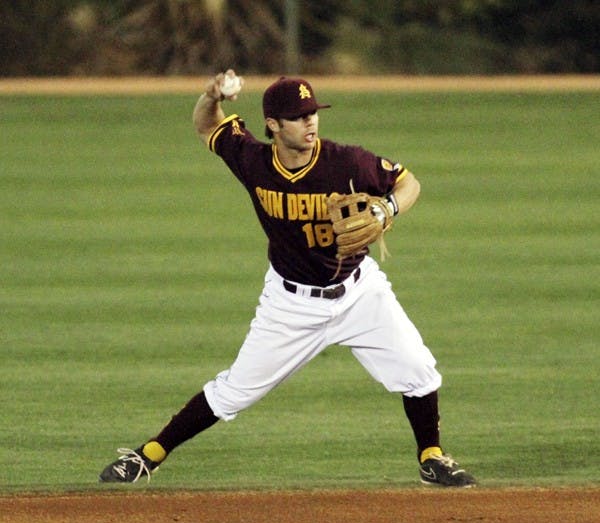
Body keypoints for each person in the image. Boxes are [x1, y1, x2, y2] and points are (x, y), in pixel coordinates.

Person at [99, 70, 476, 487]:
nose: (310, 122)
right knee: (234, 391)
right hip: (291, 304)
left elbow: (408, 183)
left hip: (358, 291)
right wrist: (210, 95)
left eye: (313, 112)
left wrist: (388, 209)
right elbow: (207, 123)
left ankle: (432, 457)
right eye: (298, 116)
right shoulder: (253, 160)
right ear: (273, 125)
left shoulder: (347, 162)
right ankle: (147, 456)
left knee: (419, 370)